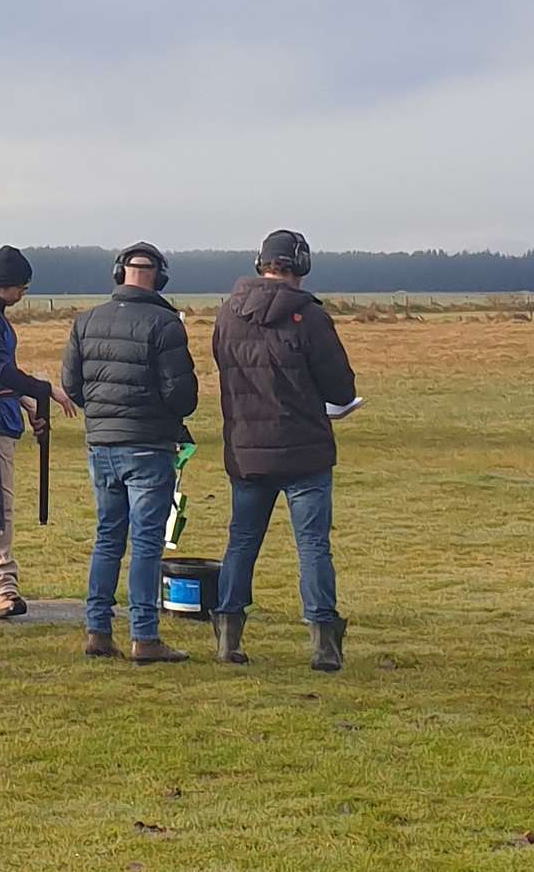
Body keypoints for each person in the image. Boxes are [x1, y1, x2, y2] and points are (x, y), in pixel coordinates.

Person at [210, 230, 358, 672]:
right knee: (312, 546)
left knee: (241, 543)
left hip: (247, 451)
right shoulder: (310, 317)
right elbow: (340, 388)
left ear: (261, 263)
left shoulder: (227, 313)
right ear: (301, 265)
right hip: (304, 452)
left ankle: (228, 636)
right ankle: (324, 643)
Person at [61, 242, 198, 663]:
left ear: (119, 273)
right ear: (160, 277)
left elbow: (72, 385)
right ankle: (145, 636)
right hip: (149, 447)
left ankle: (98, 630)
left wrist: (104, 415)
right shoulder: (166, 323)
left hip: (102, 445)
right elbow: (181, 396)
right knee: (146, 542)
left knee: (108, 537)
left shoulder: (86, 321)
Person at [0, 246, 77, 618]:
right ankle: (3, 588)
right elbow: (1, 371)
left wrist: (25, 402)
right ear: (4, 284)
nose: (23, 292)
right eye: (21, 286)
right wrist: (44, 390)